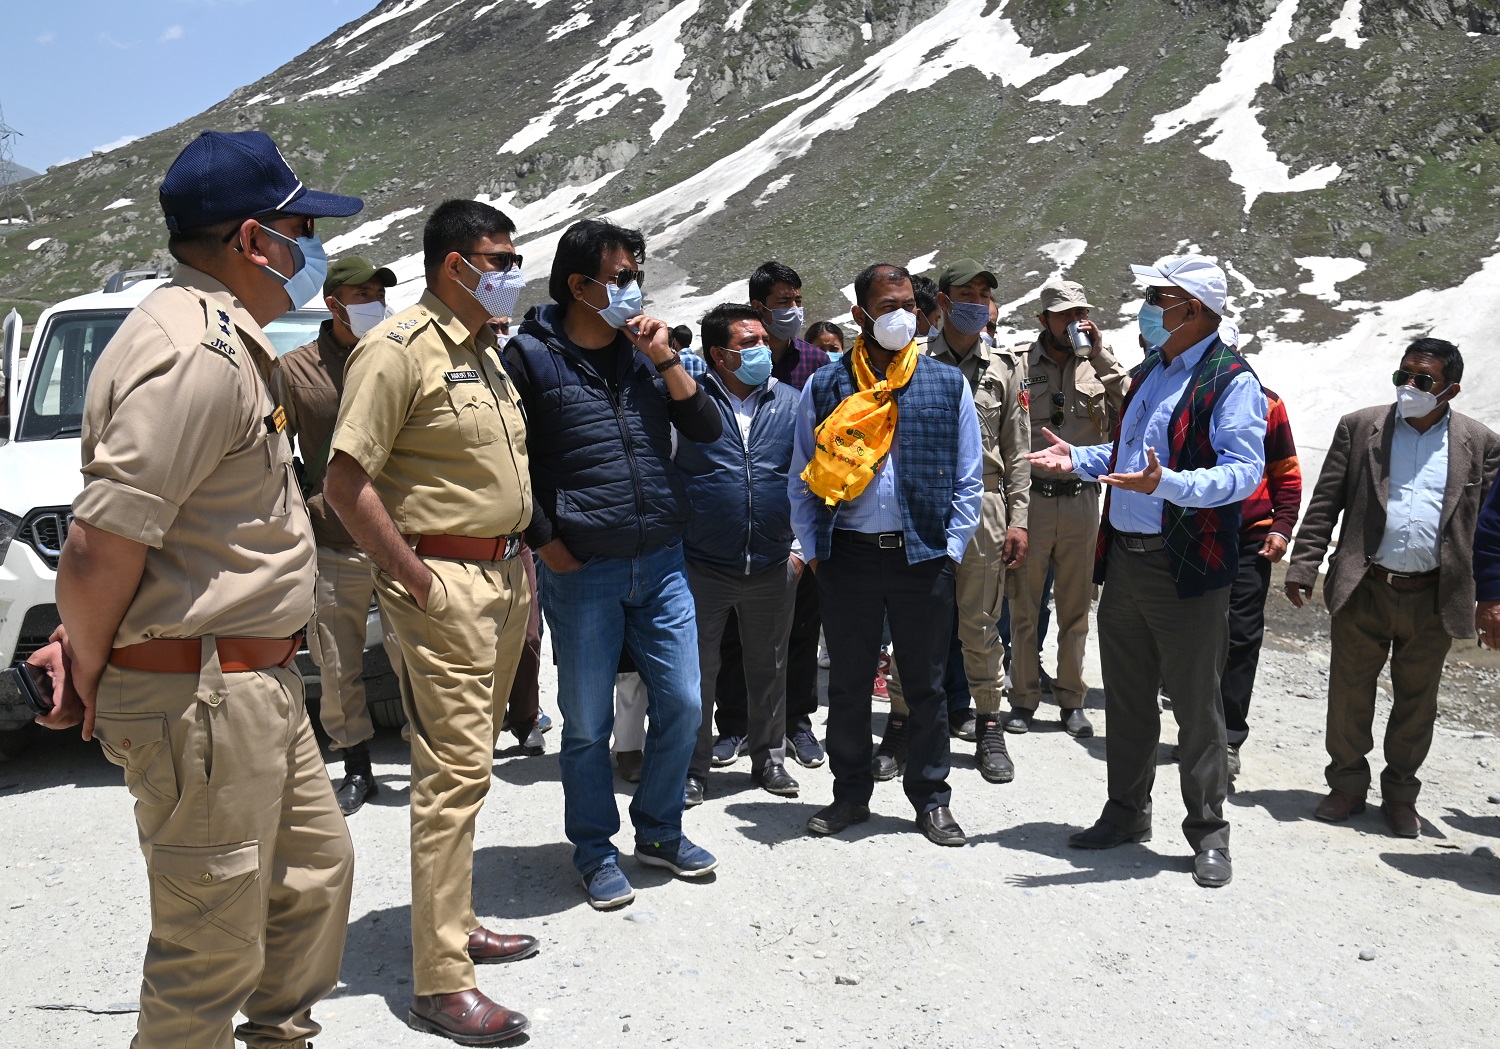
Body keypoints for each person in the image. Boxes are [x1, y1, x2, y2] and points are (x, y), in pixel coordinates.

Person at [28, 129, 360, 1049]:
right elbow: (99, 543)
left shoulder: (226, 337)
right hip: (201, 692)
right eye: (301, 230)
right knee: (209, 946)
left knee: (312, 881)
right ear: (254, 240)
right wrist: (86, 659)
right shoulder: (195, 354)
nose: (313, 250)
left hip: (253, 681)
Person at [324, 199, 537, 1045]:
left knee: (472, 769)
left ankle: (456, 918)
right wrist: (415, 578)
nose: (512, 273)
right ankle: (442, 980)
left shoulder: (484, 349)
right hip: (445, 585)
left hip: (504, 578)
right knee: (451, 775)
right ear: (457, 265)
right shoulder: (397, 349)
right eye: (501, 259)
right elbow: (346, 482)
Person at [1028, 253, 1267, 889]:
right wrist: (1081, 458)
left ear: (1194, 308)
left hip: (1183, 564)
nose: (1149, 309)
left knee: (1196, 706)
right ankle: (1126, 812)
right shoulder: (1149, 372)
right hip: (1127, 561)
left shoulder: (1231, 380)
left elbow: (1244, 473)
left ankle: (1208, 832)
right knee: (1129, 698)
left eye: (1160, 298)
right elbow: (1130, 455)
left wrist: (1170, 485)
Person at [504, 217, 722, 910]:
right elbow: (507, 463)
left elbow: (707, 429)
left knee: (684, 703)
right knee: (587, 723)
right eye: (621, 277)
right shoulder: (527, 358)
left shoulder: (645, 354)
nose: (634, 288)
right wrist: (547, 543)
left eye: (636, 276)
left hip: (662, 562)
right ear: (579, 285)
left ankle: (659, 830)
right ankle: (595, 849)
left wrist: (666, 359)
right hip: (583, 570)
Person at [790, 262, 982, 846]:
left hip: (923, 558)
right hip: (847, 556)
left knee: (925, 685)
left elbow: (968, 479)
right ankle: (850, 795)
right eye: (887, 306)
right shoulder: (826, 386)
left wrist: (951, 550)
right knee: (849, 685)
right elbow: (801, 476)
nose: (901, 316)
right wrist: (816, 552)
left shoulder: (947, 384)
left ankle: (931, 797)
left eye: (909, 306)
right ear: (860, 316)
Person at [1286, 337, 1500, 837]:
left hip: (1435, 595)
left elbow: (1492, 527)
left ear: (1451, 388)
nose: (1409, 387)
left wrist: (1492, 596)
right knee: (1349, 694)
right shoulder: (1361, 427)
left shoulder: (1481, 443)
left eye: (1423, 380)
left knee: (1417, 702)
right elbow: (1326, 502)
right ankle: (1346, 785)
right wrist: (1303, 565)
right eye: (1403, 376)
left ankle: (1401, 795)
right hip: (1366, 585)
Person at [879, 259, 1030, 785]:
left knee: (982, 623)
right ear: (942, 302)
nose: (976, 303)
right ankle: (901, 724)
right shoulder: (913, 358)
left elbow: (1017, 450)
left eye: (984, 294)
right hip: (923, 503)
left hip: (985, 505)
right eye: (966, 294)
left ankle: (988, 724)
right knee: (914, 622)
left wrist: (1019, 519)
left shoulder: (1006, 367)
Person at [270, 254, 407, 815]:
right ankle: (356, 766)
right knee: (336, 661)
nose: (376, 303)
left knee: (416, 654)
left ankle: (432, 756)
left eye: (380, 293)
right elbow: (275, 454)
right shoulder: (295, 370)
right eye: (363, 295)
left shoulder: (399, 354)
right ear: (334, 304)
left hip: (401, 538)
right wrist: (301, 511)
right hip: (333, 539)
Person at [677, 303, 803, 805]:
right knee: (695, 674)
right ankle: (692, 768)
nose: (762, 350)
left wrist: (798, 552)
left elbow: (810, 478)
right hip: (701, 565)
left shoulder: (792, 402)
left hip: (773, 563)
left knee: (770, 668)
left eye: (763, 341)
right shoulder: (689, 401)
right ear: (719, 355)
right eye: (748, 344)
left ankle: (770, 760)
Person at [1004, 280, 1128, 740]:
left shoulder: (1101, 363)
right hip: (1032, 500)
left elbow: (1133, 404)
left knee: (1075, 608)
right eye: (1065, 315)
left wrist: (1100, 355)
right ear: (1044, 320)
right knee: (1023, 606)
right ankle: (1023, 698)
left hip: (1081, 500)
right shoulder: (1020, 363)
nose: (1075, 322)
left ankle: (1072, 698)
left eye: (1081, 313)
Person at [1212, 374, 1301, 777]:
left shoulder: (1268, 404)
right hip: (1193, 534)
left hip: (1251, 537)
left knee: (1241, 636)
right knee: (1191, 633)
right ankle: (1196, 729)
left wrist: (1282, 527)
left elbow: (1287, 472)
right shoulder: (1185, 395)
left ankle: (1227, 738)